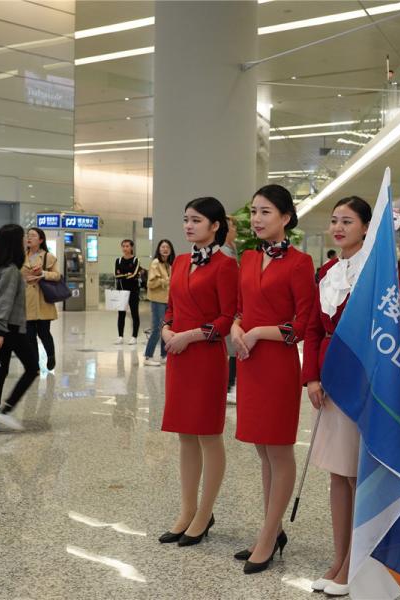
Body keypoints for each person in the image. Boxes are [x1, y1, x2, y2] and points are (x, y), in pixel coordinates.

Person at [230, 184, 316, 574]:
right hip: (249, 360)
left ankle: (267, 536)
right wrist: (235, 328)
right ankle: (272, 528)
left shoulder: (300, 263)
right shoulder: (247, 258)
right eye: (254, 212)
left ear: (285, 217)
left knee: (279, 449)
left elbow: (302, 324)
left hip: (277, 364)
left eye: (266, 212)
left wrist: (258, 332)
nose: (258, 219)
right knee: (262, 449)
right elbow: (238, 308)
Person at [158, 197, 238, 547]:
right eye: (186, 219)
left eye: (197, 220)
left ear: (215, 225)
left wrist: (189, 336)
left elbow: (226, 317)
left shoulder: (225, 265)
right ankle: (186, 509)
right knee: (184, 434)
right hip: (178, 356)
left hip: (204, 355)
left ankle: (205, 513)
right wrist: (166, 331)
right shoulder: (179, 261)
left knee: (207, 433)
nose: (189, 226)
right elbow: (171, 308)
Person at [302, 196, 371, 597]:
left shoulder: (377, 272)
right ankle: (340, 555)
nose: (339, 227)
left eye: (348, 221)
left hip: (358, 379)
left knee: (355, 472)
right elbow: (313, 327)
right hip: (325, 382)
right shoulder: (328, 270)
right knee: (336, 473)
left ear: (365, 226)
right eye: (334, 221)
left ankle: (355, 562)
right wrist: (311, 377)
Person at [0, 224, 39, 433]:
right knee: (32, 368)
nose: (26, 240)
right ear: (14, 242)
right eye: (23, 237)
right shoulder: (11, 270)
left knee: (0, 370)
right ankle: (3, 411)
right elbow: (2, 302)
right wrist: (0, 332)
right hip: (8, 328)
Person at [21, 228, 60, 371]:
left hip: (43, 299)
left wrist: (42, 273)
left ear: (41, 240)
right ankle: (34, 365)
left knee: (43, 333)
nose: (29, 238)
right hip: (26, 300)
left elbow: (57, 276)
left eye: (33, 236)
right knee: (29, 335)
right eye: (28, 235)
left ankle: (51, 356)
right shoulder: (21, 257)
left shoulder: (47, 256)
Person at [144, 239, 175, 366]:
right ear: (159, 249)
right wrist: (166, 280)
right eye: (162, 247)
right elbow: (150, 283)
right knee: (157, 329)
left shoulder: (170, 264)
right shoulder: (156, 263)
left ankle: (164, 355)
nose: (165, 249)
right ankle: (148, 356)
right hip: (158, 300)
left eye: (167, 247)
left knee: (165, 328)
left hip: (168, 300)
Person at [221, 216, 238, 398]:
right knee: (229, 347)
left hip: (235, 307)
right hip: (226, 308)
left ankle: (231, 384)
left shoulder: (233, 249)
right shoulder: (223, 252)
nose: (235, 232)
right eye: (233, 228)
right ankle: (228, 386)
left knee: (232, 348)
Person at [114, 239, 142, 345]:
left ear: (131, 248)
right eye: (123, 246)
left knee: (135, 313)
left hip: (133, 291)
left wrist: (124, 275)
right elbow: (116, 275)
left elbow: (134, 274)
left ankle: (134, 336)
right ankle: (120, 336)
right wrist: (127, 275)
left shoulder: (136, 260)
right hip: (121, 291)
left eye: (127, 246)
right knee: (121, 314)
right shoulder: (118, 261)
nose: (125, 248)